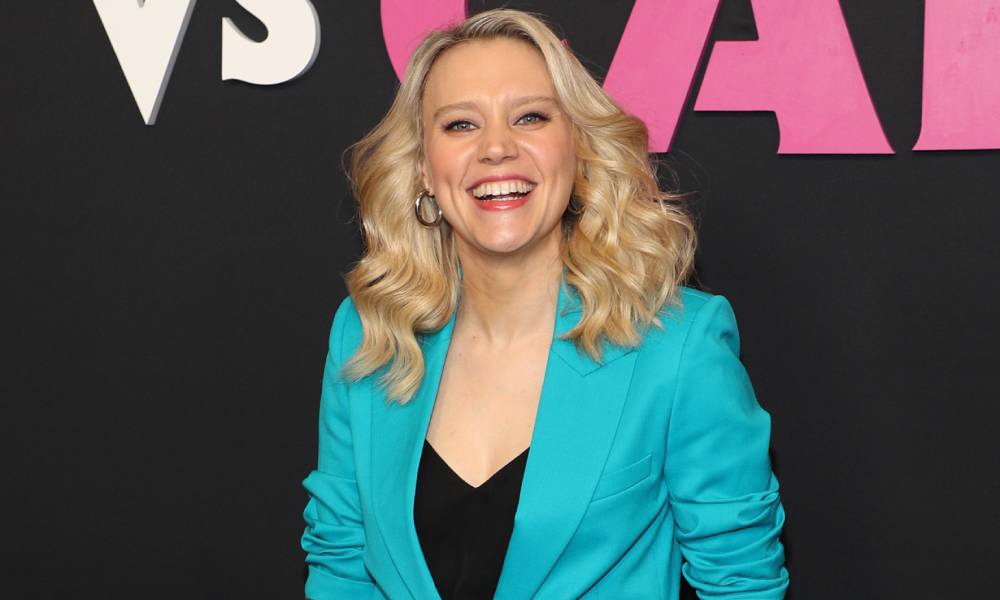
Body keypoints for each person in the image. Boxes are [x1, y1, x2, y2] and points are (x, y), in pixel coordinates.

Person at [301, 8, 788, 599]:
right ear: (424, 169)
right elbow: (343, 564)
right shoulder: (370, 334)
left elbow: (741, 583)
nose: (496, 148)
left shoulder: (677, 344)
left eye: (529, 116)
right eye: (460, 124)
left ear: (577, 148)